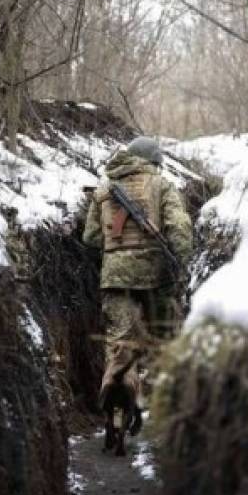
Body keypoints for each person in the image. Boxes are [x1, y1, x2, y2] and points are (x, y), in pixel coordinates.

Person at [82, 136, 193, 410]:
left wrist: (117, 249)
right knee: (165, 337)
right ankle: (163, 405)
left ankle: (116, 387)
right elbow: (179, 226)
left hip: (115, 278)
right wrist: (182, 260)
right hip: (157, 277)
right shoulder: (162, 185)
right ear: (154, 161)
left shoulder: (104, 189)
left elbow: (92, 237)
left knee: (121, 341)